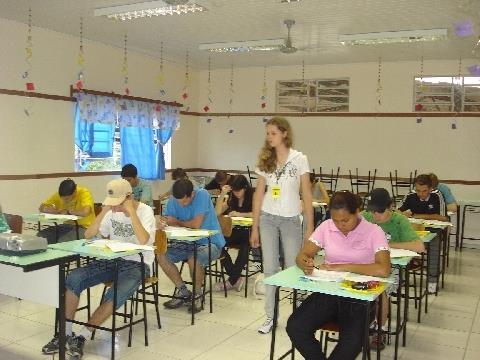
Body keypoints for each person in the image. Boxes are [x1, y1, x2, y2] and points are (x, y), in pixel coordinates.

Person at [41, 179, 155, 359]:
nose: (115, 209)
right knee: (74, 278)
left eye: (118, 204)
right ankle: (65, 333)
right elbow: (88, 234)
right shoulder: (111, 211)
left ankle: (82, 336)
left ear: (129, 197)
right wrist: (104, 212)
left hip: (137, 264)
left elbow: (143, 240)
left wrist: (131, 212)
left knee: (115, 293)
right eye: (113, 204)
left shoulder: (145, 211)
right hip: (111, 258)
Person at [286, 191, 391, 360]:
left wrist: (342, 267)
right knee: (296, 326)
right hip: (329, 292)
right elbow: (303, 255)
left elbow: (384, 269)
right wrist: (304, 262)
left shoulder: (373, 231)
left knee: (352, 341)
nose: (340, 225)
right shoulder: (327, 227)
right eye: (336, 220)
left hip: (359, 296)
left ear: (357, 212)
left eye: (345, 220)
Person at [250, 117, 314, 334]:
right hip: (268, 218)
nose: (269, 137)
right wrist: (254, 227)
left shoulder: (299, 159)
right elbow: (258, 195)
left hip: (290, 220)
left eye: (273, 133)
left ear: (284, 134)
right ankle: (270, 316)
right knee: (269, 269)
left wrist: (310, 229)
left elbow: (306, 194)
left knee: (294, 267)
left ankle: (300, 316)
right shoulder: (265, 161)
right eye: (267, 133)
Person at [362, 188, 424, 349]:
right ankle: (355, 326)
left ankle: (379, 330)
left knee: (380, 290)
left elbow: (419, 246)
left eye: (380, 212)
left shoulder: (399, 220)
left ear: (390, 207)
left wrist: (386, 246)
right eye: (373, 211)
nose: (376, 216)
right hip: (367, 264)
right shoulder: (366, 217)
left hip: (393, 267)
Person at [157, 179, 225, 313]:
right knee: (161, 255)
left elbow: (196, 224)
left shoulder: (202, 195)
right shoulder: (174, 199)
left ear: (192, 194)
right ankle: (183, 291)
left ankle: (197, 294)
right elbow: (167, 219)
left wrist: (176, 221)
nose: (181, 205)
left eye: (184, 202)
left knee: (194, 258)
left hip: (210, 242)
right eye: (178, 202)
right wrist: (163, 223)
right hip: (186, 242)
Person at [398, 174, 448, 294]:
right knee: (400, 243)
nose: (421, 194)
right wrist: (401, 214)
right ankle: (402, 277)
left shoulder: (437, 195)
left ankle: (432, 281)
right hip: (414, 230)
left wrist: (418, 215)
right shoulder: (410, 195)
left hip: (433, 231)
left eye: (424, 191)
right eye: (418, 190)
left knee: (434, 248)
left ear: (431, 189)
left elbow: (443, 218)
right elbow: (398, 212)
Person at [213, 174, 254, 292]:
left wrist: (240, 214)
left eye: (238, 191)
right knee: (218, 244)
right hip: (234, 231)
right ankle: (236, 277)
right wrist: (222, 194)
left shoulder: (253, 196)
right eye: (234, 191)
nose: (236, 193)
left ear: (245, 188)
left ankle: (231, 281)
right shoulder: (232, 197)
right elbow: (217, 212)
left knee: (245, 246)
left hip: (250, 232)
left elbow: (258, 213)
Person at [38, 179, 95, 243]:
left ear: (75, 192)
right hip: (66, 226)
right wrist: (55, 211)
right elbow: (41, 207)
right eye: (62, 198)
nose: (64, 201)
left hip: (84, 227)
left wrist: (68, 212)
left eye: (67, 199)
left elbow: (85, 212)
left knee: (62, 242)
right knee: (40, 237)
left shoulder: (84, 192)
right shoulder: (59, 195)